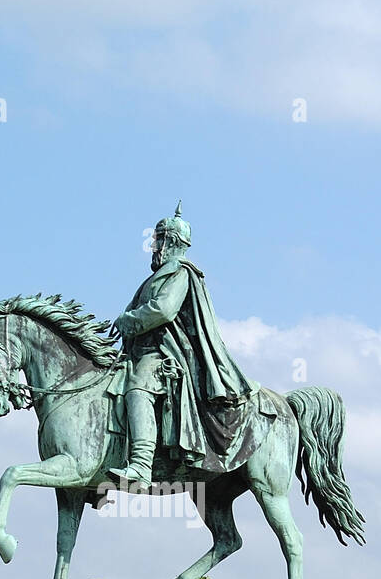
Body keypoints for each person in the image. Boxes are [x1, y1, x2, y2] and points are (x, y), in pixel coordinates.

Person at [108, 203, 270, 485]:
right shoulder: (156, 276)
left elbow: (163, 310)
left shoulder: (180, 272)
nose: (153, 247)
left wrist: (127, 320)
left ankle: (141, 466)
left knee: (138, 387)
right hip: (142, 351)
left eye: (157, 241)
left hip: (166, 354)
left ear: (169, 242)